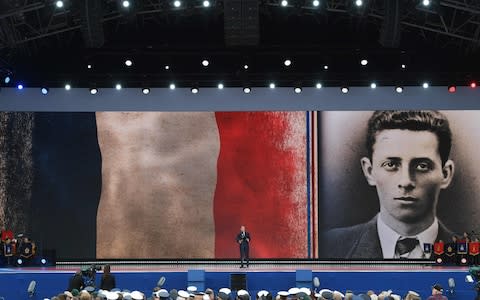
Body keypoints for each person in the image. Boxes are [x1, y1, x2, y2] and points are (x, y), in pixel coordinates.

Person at [321, 110, 456, 259]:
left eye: (422, 166)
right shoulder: (327, 246)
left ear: (445, 174)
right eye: (391, 164)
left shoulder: (471, 253)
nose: (406, 181)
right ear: (369, 171)